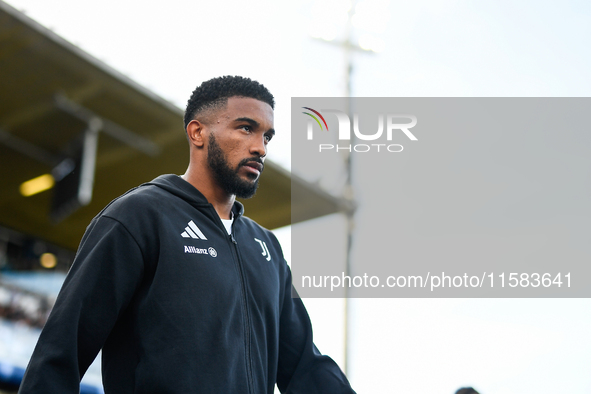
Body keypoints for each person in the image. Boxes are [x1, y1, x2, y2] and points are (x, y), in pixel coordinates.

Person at [18, 76, 355, 393]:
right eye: (246, 129)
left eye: (266, 136)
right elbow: (62, 352)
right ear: (198, 133)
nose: (260, 148)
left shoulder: (265, 246)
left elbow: (304, 365)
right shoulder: (139, 216)